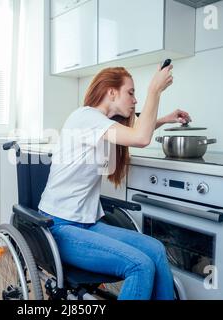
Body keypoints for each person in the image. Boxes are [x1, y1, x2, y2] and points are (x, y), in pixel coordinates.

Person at [37, 65, 191, 300]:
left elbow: (135, 129)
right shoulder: (86, 117)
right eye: (130, 92)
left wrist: (165, 119)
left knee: (156, 250)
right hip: (61, 227)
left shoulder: (98, 123)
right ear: (111, 92)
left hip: (87, 223)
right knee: (140, 266)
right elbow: (140, 137)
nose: (135, 100)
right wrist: (154, 90)